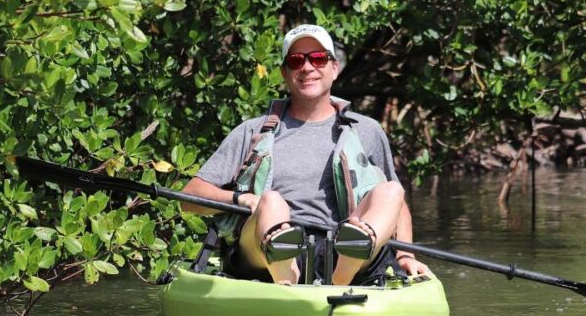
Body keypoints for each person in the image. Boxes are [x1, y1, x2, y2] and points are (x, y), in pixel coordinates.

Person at [182, 24, 429, 285]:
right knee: (272, 202)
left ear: (334, 68)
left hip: (342, 248)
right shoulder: (252, 131)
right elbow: (189, 198)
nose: (308, 67)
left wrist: (405, 255)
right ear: (284, 73)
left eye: (319, 58)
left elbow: (396, 205)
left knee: (391, 191)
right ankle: (285, 273)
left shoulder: (366, 130)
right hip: (263, 249)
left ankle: (345, 271)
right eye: (296, 60)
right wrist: (242, 199)